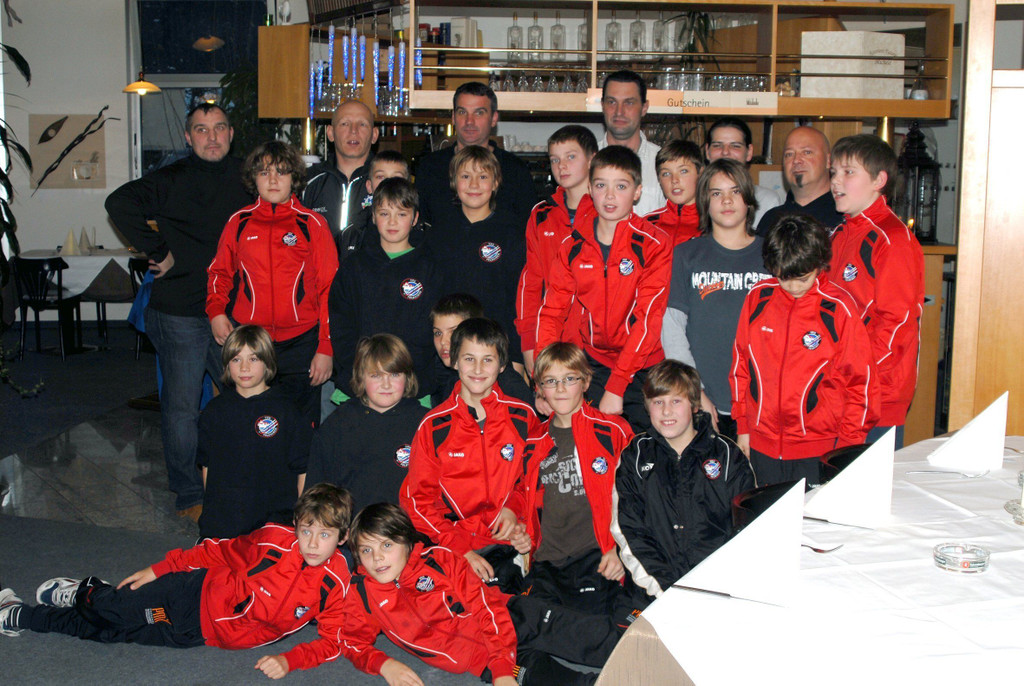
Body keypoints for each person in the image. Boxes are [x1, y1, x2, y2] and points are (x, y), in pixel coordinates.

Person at [0, 484, 354, 680]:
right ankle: (85, 591)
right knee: (112, 608)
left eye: (324, 534)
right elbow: (220, 551)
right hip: (192, 592)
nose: (312, 543)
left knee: (110, 632)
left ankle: (22, 615)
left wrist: (290, 660)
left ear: (342, 538)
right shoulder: (272, 541)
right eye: (306, 530)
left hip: (197, 633)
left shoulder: (336, 584)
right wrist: (162, 568)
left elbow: (332, 642)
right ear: (295, 526)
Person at [104, 102, 252, 521]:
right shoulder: (170, 179)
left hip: (233, 312)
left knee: (247, 400)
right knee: (184, 408)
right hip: (180, 313)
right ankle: (189, 492)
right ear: (188, 138)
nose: (212, 137)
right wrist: (157, 250)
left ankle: (242, 483)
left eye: (219, 127)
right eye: (201, 129)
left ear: (231, 134)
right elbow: (118, 202)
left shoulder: (249, 179)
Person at [338, 504, 617, 686]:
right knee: (557, 681)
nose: (377, 558)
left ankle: (639, 644)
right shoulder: (363, 594)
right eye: (366, 550)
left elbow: (487, 608)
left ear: (408, 542)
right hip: (480, 659)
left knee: (595, 638)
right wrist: (385, 665)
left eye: (387, 545)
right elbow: (351, 642)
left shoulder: (440, 560)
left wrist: (502, 667)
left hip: (512, 617)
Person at [731, 215, 880, 486]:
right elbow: (741, 365)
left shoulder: (838, 309)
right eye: (784, 278)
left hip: (819, 447)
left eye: (802, 278)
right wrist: (743, 427)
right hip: (762, 445)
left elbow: (862, 384)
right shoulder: (758, 298)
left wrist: (846, 448)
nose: (794, 287)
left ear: (819, 264)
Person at [537, 146, 672, 431]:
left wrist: (618, 385)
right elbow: (551, 314)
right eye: (601, 185)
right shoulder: (573, 246)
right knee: (590, 442)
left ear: (637, 191)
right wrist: (544, 380)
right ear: (589, 188)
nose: (610, 196)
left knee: (646, 447)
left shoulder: (654, 243)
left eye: (621, 186)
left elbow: (648, 320)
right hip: (593, 363)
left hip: (642, 365)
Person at [399, 317, 540, 592]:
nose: (477, 369)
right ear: (454, 361)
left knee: (516, 604)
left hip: (505, 541)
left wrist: (516, 513)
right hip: (454, 542)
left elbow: (533, 482)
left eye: (487, 360)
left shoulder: (522, 417)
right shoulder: (434, 426)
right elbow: (416, 502)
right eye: (468, 359)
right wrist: (460, 548)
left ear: (502, 365)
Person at [207, 141, 338, 426]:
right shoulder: (239, 222)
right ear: (253, 179)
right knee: (249, 424)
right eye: (264, 172)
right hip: (251, 343)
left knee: (299, 428)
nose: (273, 180)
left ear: (295, 178)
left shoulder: (312, 224)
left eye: (282, 171)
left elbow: (330, 289)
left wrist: (326, 346)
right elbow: (219, 273)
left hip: (302, 343)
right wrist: (216, 312)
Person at [516, 343, 641, 624]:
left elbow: (637, 499)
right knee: (525, 626)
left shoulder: (613, 431)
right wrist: (519, 525)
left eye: (569, 379)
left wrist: (619, 551)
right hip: (547, 561)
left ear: (585, 382)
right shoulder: (533, 441)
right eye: (550, 381)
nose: (560, 388)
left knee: (595, 627)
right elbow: (522, 494)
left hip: (596, 556)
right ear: (540, 388)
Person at [611, 360, 755, 598]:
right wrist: (666, 591)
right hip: (653, 591)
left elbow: (747, 528)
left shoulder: (728, 456)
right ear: (647, 406)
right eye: (658, 402)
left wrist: (717, 586)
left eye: (676, 401)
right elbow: (629, 529)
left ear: (695, 405)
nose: (666, 411)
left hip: (717, 589)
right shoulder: (634, 457)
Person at [661, 158, 772, 442]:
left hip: (762, 400)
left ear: (748, 199)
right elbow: (672, 327)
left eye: (735, 191)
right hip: (704, 398)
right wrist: (695, 390)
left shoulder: (771, 255)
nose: (727, 200)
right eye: (716, 193)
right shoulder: (687, 254)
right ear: (705, 201)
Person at [828, 134, 924, 449]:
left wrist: (855, 378)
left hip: (875, 394)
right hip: (839, 390)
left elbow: (896, 323)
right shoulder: (841, 234)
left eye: (848, 172)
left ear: (879, 181)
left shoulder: (892, 238)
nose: (836, 181)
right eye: (834, 172)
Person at [328, 177, 445, 399]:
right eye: (384, 214)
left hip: (414, 383)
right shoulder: (354, 266)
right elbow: (341, 325)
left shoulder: (430, 267)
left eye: (401, 214)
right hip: (360, 381)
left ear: (415, 218)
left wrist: (409, 371)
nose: (392, 222)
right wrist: (361, 369)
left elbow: (435, 328)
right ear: (373, 216)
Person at [197, 325, 311, 540]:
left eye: (253, 359)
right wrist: (212, 513)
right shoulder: (214, 411)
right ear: (226, 364)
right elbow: (207, 466)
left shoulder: (288, 411)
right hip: (223, 524)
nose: (244, 367)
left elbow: (303, 470)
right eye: (236, 359)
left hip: (274, 523)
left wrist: (301, 518)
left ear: (268, 362)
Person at [305, 334, 428, 512]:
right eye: (376, 375)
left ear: (407, 377)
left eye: (394, 374)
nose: (386, 385)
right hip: (352, 525)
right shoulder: (337, 425)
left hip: (407, 525)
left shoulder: (425, 424)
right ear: (361, 377)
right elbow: (317, 492)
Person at [428, 145, 527, 366]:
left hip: (497, 350)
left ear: (496, 182)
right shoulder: (438, 234)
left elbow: (519, 301)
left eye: (483, 177)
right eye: (465, 176)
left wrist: (517, 357)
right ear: (454, 182)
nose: (474, 184)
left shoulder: (512, 233)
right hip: (448, 352)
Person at [515, 125, 597, 375]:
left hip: (598, 344)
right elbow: (531, 283)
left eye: (571, 156)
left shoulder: (608, 211)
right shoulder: (541, 214)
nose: (562, 166)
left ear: (592, 159)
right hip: (550, 338)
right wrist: (529, 342)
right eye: (554, 159)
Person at [414, 82, 537, 227]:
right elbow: (417, 225)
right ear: (453, 117)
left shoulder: (515, 170)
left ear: (494, 118)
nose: (469, 121)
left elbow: (529, 229)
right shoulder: (430, 167)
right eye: (462, 112)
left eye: (479, 113)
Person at [302, 99, 379, 259]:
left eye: (362, 124)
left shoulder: (387, 180)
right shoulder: (307, 182)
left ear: (374, 135)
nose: (353, 131)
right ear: (330, 133)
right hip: (320, 273)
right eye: (345, 124)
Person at [430, 293, 534, 408]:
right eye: (438, 333)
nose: (443, 341)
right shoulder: (447, 383)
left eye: (453, 331)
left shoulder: (510, 387)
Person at [756, 126, 844, 237]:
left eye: (807, 152)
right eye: (789, 154)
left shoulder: (845, 217)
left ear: (828, 161)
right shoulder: (770, 220)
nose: (796, 160)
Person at [598, 70, 665, 216]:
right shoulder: (584, 162)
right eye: (612, 102)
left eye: (629, 103)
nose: (619, 111)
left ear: (644, 108)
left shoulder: (664, 163)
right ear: (602, 106)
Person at [705, 117, 783, 225]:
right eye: (717, 145)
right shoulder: (693, 199)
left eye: (735, 146)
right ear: (707, 152)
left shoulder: (767, 202)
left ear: (749, 152)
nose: (725, 152)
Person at [643, 139, 704, 246]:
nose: (674, 180)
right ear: (659, 180)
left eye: (683, 171)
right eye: (666, 174)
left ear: (700, 174)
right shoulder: (646, 224)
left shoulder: (714, 223)